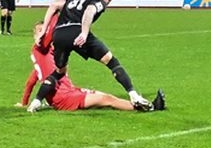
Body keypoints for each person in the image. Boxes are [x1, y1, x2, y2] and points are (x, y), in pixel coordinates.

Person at [30, 0, 156, 112]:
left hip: (59, 35)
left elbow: (54, 5)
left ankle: (37, 101)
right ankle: (133, 95)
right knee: (111, 61)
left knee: (59, 71)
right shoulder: (98, 1)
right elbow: (90, 11)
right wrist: (84, 33)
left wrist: (44, 30)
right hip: (76, 31)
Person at [20, 20, 163, 112]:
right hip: (64, 98)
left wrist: (24, 102)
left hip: (69, 91)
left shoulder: (44, 55)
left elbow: (32, 80)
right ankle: (151, 107)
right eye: (40, 31)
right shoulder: (42, 49)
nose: (44, 33)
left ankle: (142, 104)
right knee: (107, 99)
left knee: (104, 97)